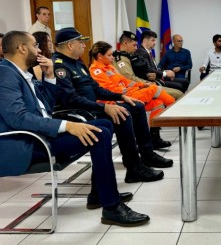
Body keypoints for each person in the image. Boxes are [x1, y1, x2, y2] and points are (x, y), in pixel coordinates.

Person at [0, 30, 149, 227]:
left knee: (104, 124)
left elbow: (46, 107)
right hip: (29, 143)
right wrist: (68, 126)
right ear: (22, 48)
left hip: (40, 135)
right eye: (35, 45)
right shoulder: (5, 74)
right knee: (100, 134)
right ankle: (111, 207)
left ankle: (98, 194)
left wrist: (50, 76)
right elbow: (18, 118)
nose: (39, 50)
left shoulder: (20, 73)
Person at [52, 27, 173, 184]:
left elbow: (96, 89)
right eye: (81, 42)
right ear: (70, 45)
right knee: (123, 114)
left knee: (136, 106)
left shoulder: (77, 64)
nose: (84, 46)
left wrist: (121, 96)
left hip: (92, 108)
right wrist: (104, 107)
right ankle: (134, 168)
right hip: (81, 113)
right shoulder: (59, 66)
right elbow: (71, 100)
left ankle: (147, 155)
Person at [89, 41, 175, 137]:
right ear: (100, 56)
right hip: (117, 100)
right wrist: (129, 90)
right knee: (154, 89)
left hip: (128, 95)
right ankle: (176, 111)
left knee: (158, 103)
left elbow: (125, 81)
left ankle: (154, 137)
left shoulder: (109, 67)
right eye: (109, 55)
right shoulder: (96, 71)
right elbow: (109, 91)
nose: (112, 57)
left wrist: (141, 85)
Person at [134, 30, 187, 95]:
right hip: (153, 81)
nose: (155, 43)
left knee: (185, 82)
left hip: (158, 77)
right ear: (145, 40)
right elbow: (149, 69)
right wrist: (165, 74)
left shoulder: (148, 51)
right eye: (153, 40)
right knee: (179, 86)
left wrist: (165, 71)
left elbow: (154, 68)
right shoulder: (141, 52)